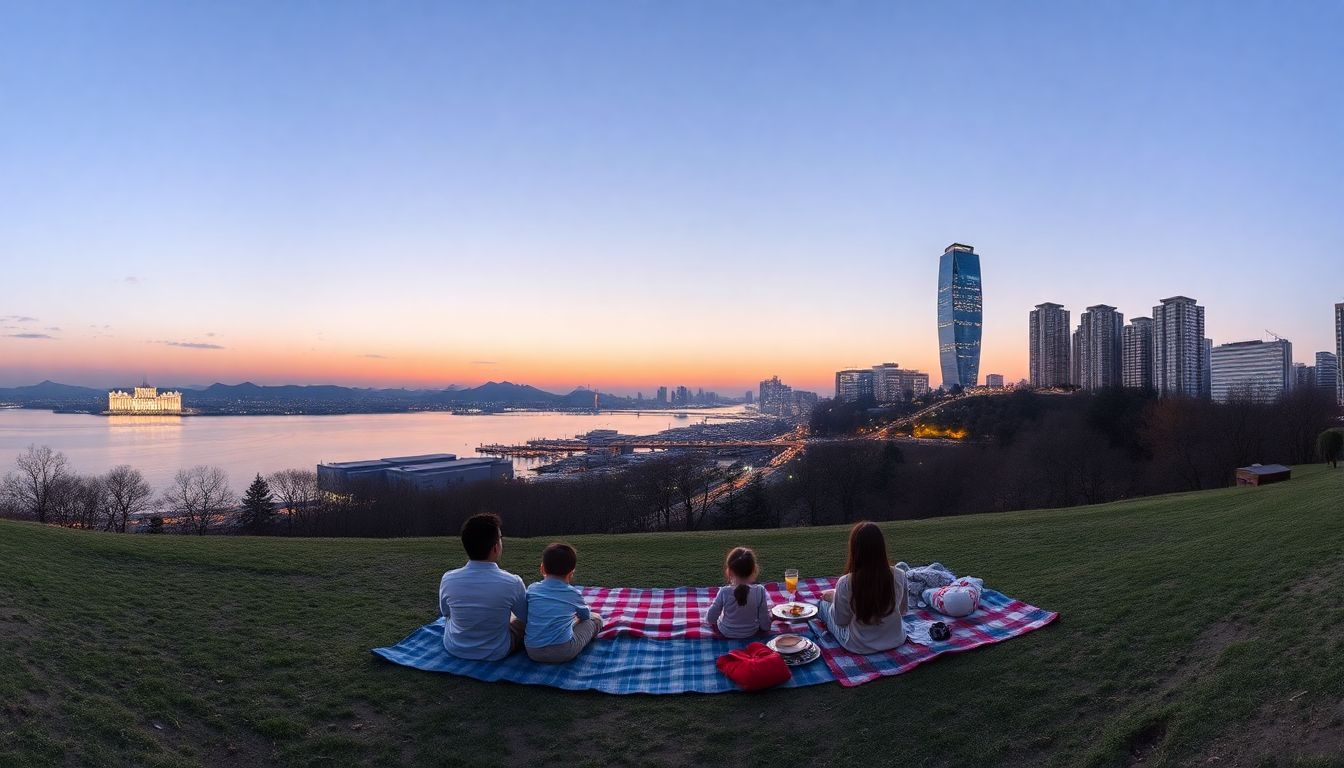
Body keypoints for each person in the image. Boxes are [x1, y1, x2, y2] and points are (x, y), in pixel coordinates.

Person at [438, 513, 528, 660]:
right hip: (496, 651)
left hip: (455, 647)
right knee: (520, 623)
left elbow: (445, 612)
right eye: (500, 538)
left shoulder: (448, 578)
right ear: (495, 548)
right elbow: (525, 617)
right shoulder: (512, 582)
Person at [817, 521, 909, 654]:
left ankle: (827, 602)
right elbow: (903, 610)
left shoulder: (846, 583)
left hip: (860, 645)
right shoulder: (900, 575)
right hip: (895, 639)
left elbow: (840, 621)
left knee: (822, 605)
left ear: (855, 549)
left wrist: (833, 598)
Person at [524, 543, 605, 663]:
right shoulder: (573, 594)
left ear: (542, 568)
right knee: (595, 619)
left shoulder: (532, 589)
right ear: (571, 573)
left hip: (532, 651)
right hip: (562, 652)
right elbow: (585, 616)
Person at [705, 546, 772, 638]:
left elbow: (710, 619)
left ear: (729, 571)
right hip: (751, 632)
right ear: (754, 570)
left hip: (726, 632)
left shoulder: (724, 592)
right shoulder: (759, 591)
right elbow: (765, 626)